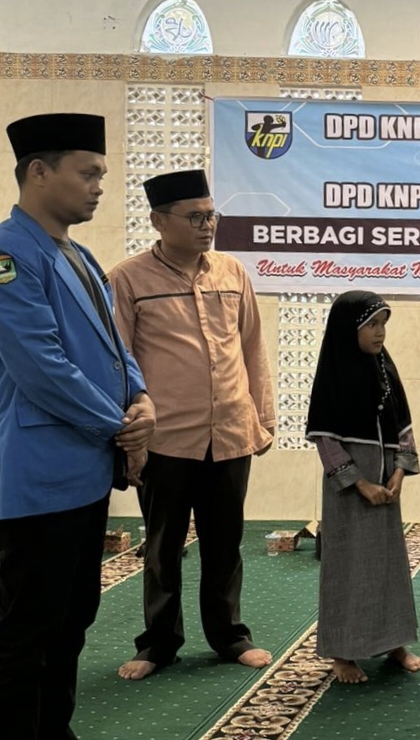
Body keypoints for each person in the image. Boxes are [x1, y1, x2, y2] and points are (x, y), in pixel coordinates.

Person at [0, 113, 155, 740]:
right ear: (39, 171)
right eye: (87, 173)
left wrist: (141, 397)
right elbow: (40, 366)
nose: (98, 187)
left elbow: (115, 347)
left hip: (84, 472)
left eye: (101, 175)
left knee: (70, 620)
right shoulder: (10, 253)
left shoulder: (79, 253)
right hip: (38, 477)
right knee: (26, 631)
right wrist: (119, 427)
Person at [108, 170, 276, 681]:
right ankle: (158, 643)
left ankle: (230, 636)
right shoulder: (128, 279)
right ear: (159, 221)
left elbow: (252, 346)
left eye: (211, 216)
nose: (208, 226)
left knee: (226, 543)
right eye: (196, 217)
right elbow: (117, 360)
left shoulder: (232, 271)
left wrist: (262, 417)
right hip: (164, 439)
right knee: (163, 548)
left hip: (230, 432)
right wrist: (127, 438)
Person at [306, 290, 420, 684]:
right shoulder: (334, 373)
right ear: (348, 327)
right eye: (371, 324)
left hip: (386, 483)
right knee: (348, 566)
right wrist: (360, 483)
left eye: (383, 324)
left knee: (388, 564)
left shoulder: (384, 368)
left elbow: (402, 424)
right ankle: (343, 653)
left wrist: (399, 472)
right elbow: (325, 439)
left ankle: (394, 643)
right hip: (350, 492)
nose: (380, 332)